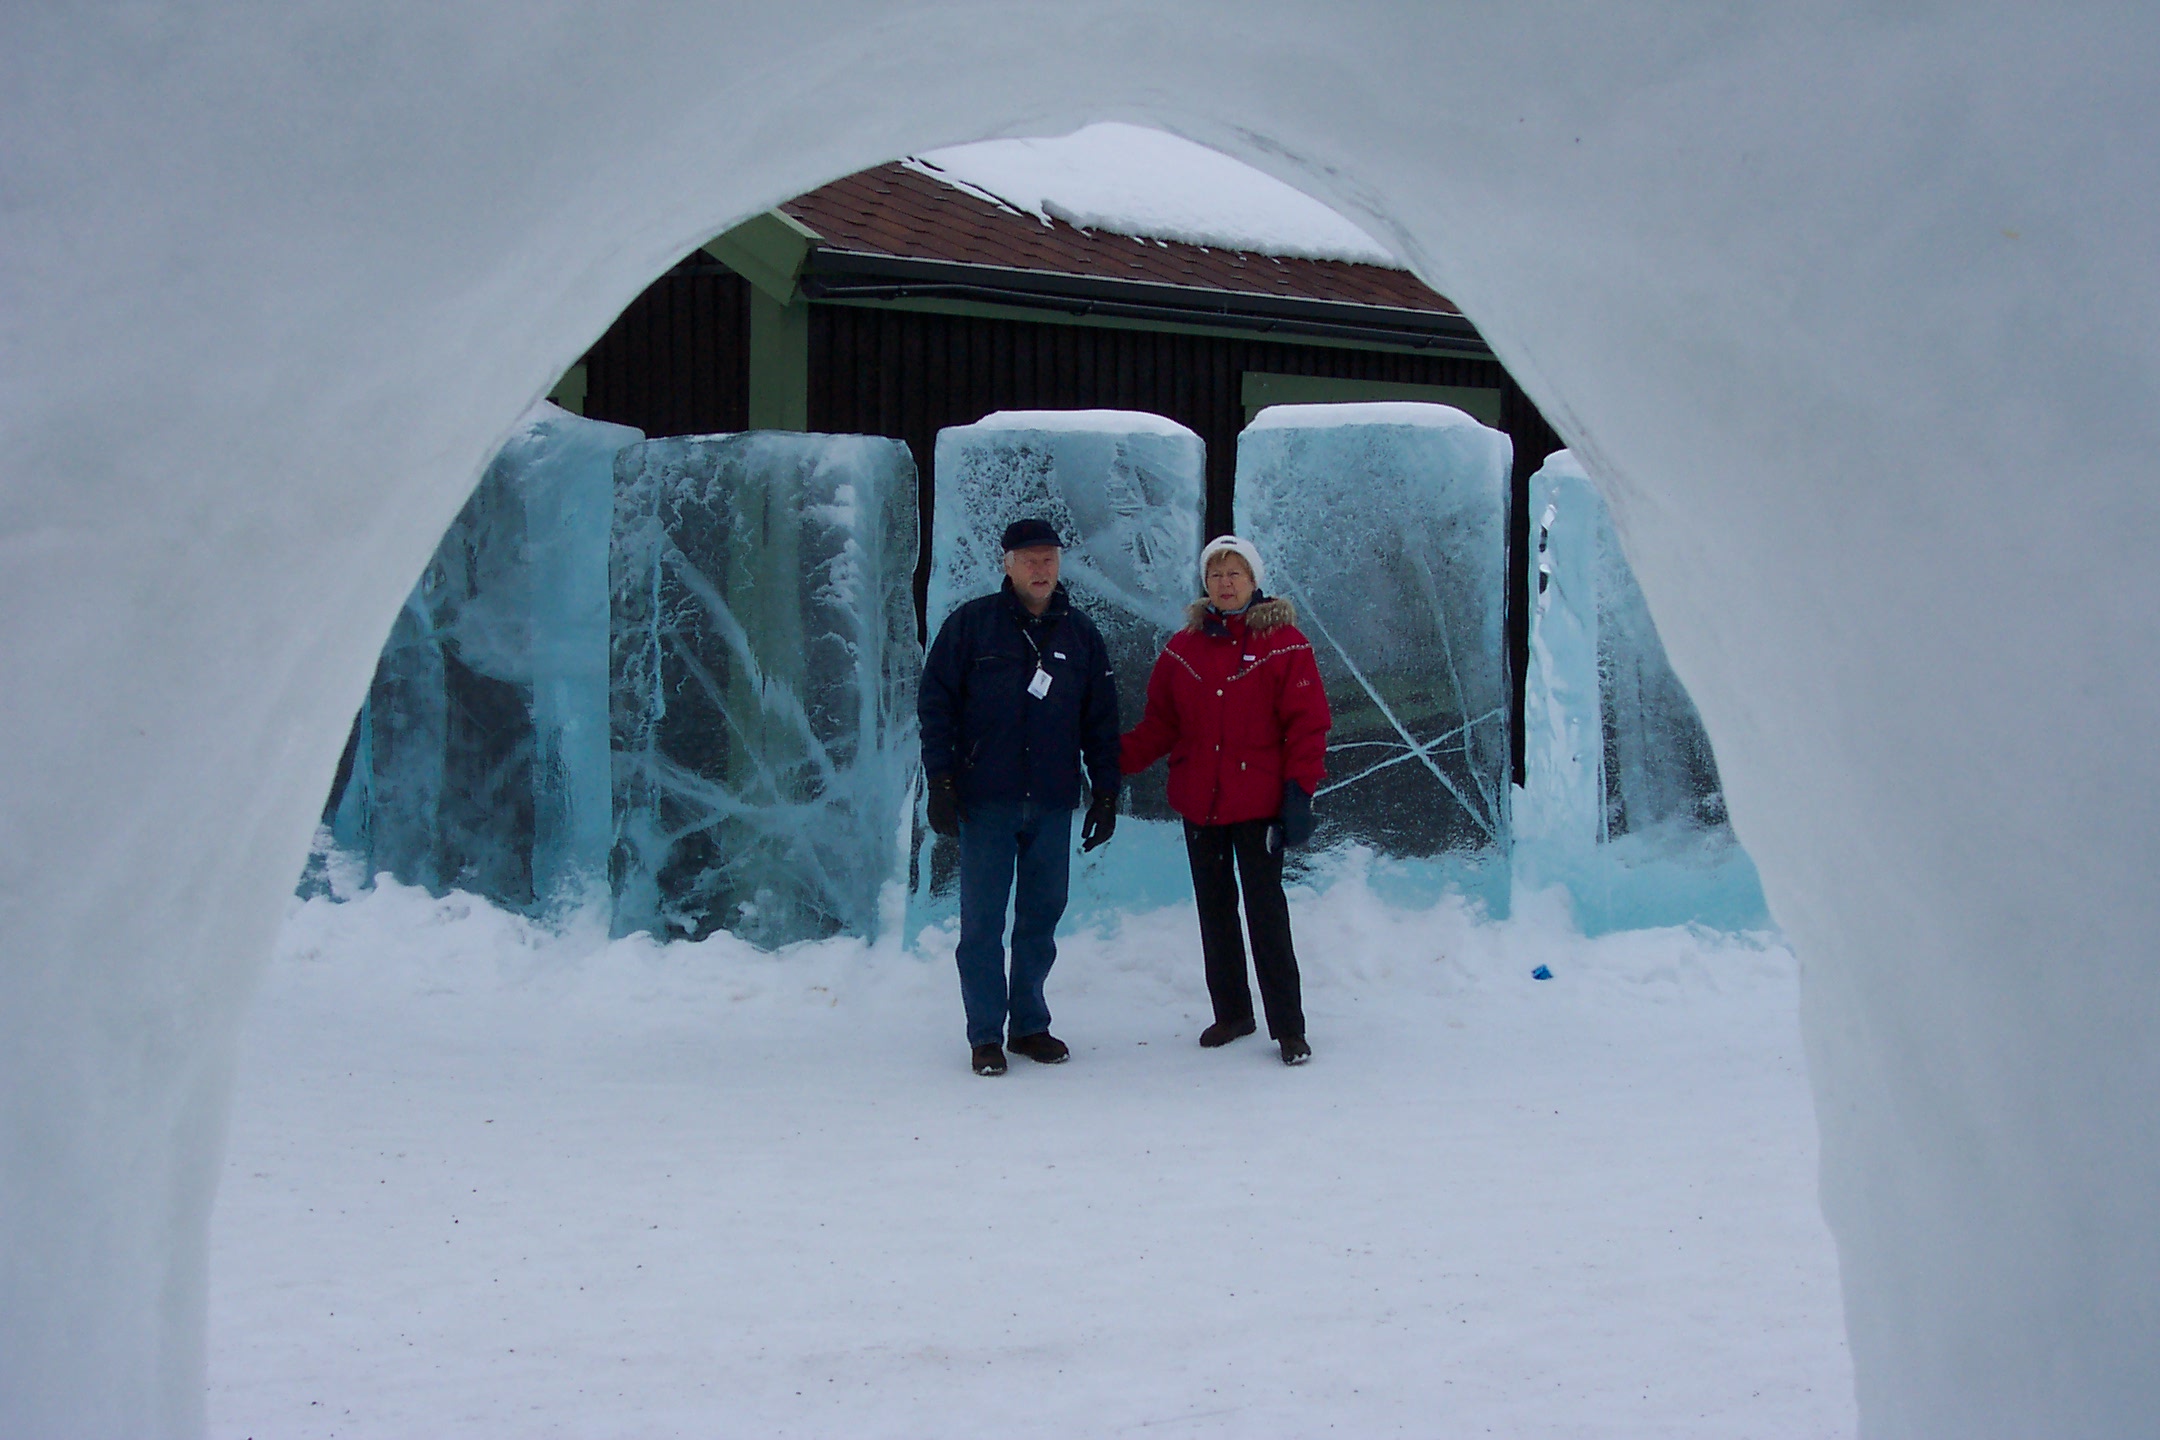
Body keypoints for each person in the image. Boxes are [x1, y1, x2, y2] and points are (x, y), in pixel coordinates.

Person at [919, 518, 1122, 1076]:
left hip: (1053, 802)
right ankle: (985, 1033)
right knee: (982, 922)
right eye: (1029, 559)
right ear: (1007, 563)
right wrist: (941, 781)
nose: (1041, 569)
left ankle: (1029, 1024)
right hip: (987, 801)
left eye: (1049, 558)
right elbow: (936, 706)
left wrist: (1105, 791)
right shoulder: (972, 626)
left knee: (1040, 916)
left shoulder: (1080, 634)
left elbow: (1102, 721)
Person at [1119, 535, 1330, 1065]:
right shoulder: (1183, 647)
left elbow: (1307, 725)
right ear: (1205, 583)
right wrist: (1109, 763)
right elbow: (1160, 724)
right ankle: (1233, 1012)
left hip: (1257, 801)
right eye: (1216, 574)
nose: (1225, 583)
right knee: (1216, 912)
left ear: (1254, 580)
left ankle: (1288, 1027)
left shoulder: (1286, 643)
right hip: (1201, 803)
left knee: (1266, 913)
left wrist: (1300, 792)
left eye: (1235, 573)